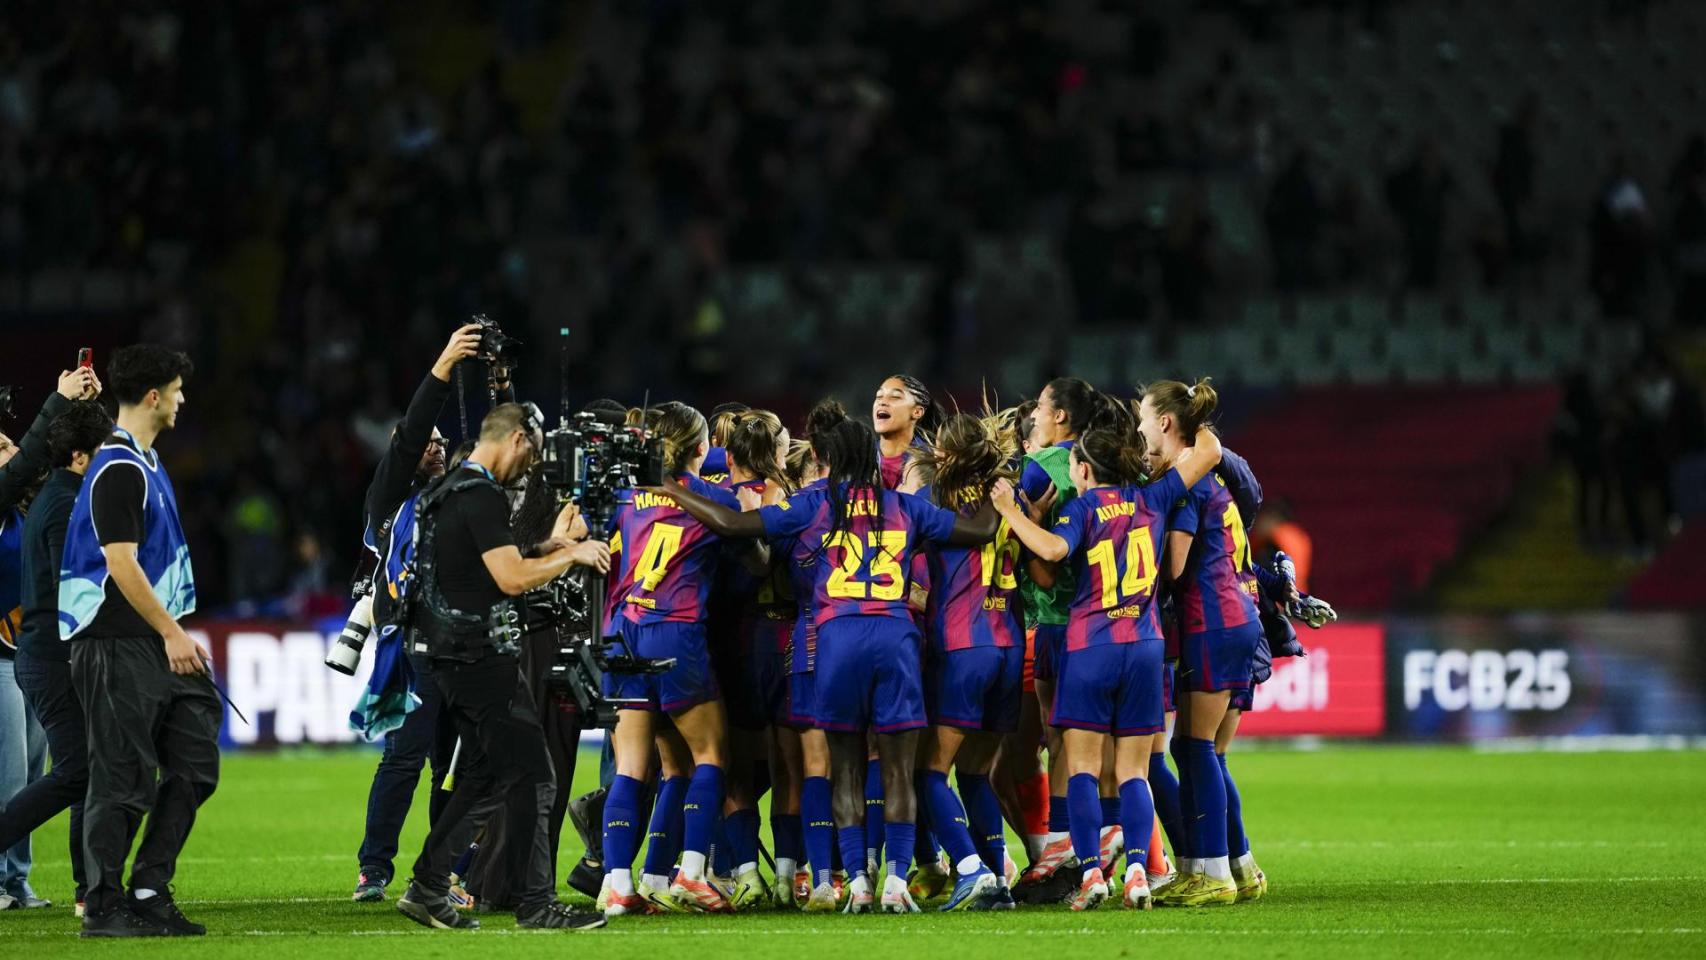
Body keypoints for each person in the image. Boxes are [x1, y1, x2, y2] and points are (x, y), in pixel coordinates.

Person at [661, 400, 998, 914]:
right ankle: (895, 883)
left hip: (834, 641)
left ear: (828, 456)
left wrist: (673, 488)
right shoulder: (905, 506)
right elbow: (978, 532)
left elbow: (732, 525)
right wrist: (997, 493)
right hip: (895, 638)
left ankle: (857, 885)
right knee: (898, 771)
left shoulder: (813, 502)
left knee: (840, 771)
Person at [994, 397, 1223, 911]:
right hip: (1144, 646)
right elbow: (1208, 450)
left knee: (1078, 768)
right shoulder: (1155, 496)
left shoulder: (1080, 508)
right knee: (1134, 771)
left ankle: (1093, 874)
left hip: (1091, 645)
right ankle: (1139, 870)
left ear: (1082, 468)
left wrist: (1012, 513)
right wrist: (1188, 415)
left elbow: (1051, 554)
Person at [394, 402, 609, 932]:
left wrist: (544, 544)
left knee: (485, 776)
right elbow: (510, 579)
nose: (529, 464)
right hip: (480, 657)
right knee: (537, 777)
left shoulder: (446, 491)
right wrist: (571, 557)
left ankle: (426, 887)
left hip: (449, 655)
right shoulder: (484, 494)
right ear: (515, 439)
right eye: (531, 452)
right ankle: (537, 906)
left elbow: (479, 563)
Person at [58, 344, 214, 938]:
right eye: (177, 389)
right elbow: (119, 563)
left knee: (196, 760)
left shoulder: (145, 462)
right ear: (154, 396)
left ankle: (148, 888)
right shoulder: (119, 468)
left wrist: (173, 630)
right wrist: (172, 630)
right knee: (121, 776)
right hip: (114, 641)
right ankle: (102, 906)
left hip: (150, 639)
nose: (182, 399)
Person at [351, 322, 487, 903]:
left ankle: (443, 872)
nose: (431, 446)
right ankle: (373, 869)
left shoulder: (460, 501)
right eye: (421, 443)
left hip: (463, 649)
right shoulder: (389, 503)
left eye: (440, 442)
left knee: (453, 769)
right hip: (412, 652)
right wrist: (443, 368)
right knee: (402, 760)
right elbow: (408, 435)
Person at [596, 402, 744, 916]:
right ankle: (693, 873)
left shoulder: (625, 495)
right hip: (675, 630)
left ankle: (617, 883)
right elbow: (747, 545)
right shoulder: (711, 497)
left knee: (633, 766)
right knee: (711, 754)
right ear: (702, 450)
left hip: (621, 631)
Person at [1137, 379, 1254, 907]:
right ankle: (1234, 866)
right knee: (1196, 746)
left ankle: (1212, 874)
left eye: (1143, 417)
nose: (1139, 428)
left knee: (1194, 746)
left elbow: (1177, 565)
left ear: (1165, 422)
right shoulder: (1212, 475)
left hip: (1211, 618)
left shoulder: (1185, 482)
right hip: (1232, 615)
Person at [0, 400, 112, 917]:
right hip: (44, 655)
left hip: (38, 652)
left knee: (76, 770)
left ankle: (78, 887)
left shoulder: (44, 501)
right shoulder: (58, 504)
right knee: (66, 773)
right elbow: (77, 589)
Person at [913, 412, 1026, 912]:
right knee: (977, 772)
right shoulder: (1011, 498)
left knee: (928, 772)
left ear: (945, 454)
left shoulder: (934, 499)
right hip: (1009, 644)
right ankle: (997, 875)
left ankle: (969, 868)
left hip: (962, 644)